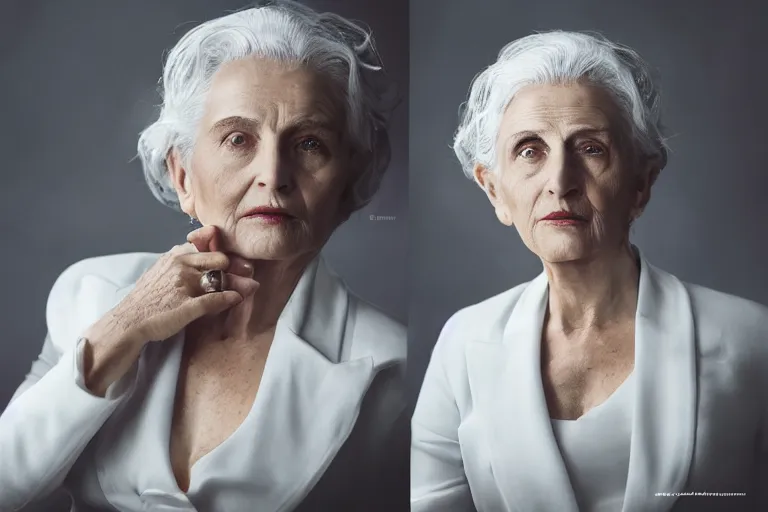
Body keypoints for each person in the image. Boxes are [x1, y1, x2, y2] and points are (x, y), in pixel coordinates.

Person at [0, 1, 406, 511]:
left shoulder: (396, 371)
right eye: (238, 139)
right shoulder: (91, 294)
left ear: (348, 184)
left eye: (308, 143)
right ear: (183, 176)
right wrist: (122, 327)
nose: (273, 174)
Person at [410, 30, 768, 512]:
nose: (560, 182)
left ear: (641, 183)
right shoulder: (463, 343)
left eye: (591, 148)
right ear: (494, 191)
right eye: (530, 150)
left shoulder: (752, 341)